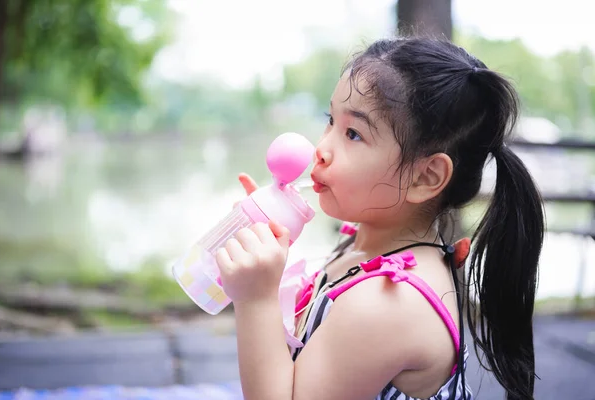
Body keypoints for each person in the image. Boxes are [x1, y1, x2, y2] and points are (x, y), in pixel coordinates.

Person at [215, 36, 545, 400]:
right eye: (330, 121)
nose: (321, 149)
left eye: (353, 134)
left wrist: (255, 299)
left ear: (425, 178)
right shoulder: (373, 252)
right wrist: (266, 253)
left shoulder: (388, 301)